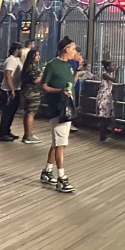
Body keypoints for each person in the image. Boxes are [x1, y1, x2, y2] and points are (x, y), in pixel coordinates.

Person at [39, 37, 79, 193]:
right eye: (73, 49)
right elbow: (43, 86)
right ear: (66, 49)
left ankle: (47, 171)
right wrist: (59, 91)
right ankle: (62, 178)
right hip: (57, 108)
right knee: (61, 144)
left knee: (57, 141)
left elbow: (69, 83)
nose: (75, 52)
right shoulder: (52, 65)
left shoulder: (68, 66)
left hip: (67, 107)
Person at [0, 43, 24, 142]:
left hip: (16, 88)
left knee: (12, 111)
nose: (21, 52)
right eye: (21, 50)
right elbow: (8, 75)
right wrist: (12, 89)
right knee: (7, 112)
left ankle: (7, 130)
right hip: (9, 90)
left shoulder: (17, 60)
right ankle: (2, 133)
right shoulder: (11, 60)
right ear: (17, 50)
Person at [21, 46, 44, 143]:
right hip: (32, 92)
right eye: (36, 55)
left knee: (28, 113)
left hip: (28, 91)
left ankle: (27, 134)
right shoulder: (32, 66)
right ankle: (28, 135)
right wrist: (44, 75)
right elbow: (36, 79)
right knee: (31, 113)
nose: (38, 57)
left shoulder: (28, 65)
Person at [97, 60, 117, 142]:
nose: (114, 67)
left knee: (107, 117)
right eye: (112, 66)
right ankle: (102, 136)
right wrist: (117, 72)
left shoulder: (108, 74)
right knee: (103, 117)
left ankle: (104, 135)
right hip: (104, 97)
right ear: (108, 67)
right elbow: (114, 80)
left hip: (107, 97)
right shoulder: (105, 74)